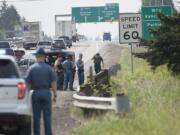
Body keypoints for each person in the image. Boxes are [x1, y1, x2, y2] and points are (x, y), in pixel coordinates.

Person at [26, 47, 57, 135]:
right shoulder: (49, 68)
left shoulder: (31, 68)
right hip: (46, 93)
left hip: (35, 93)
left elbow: (28, 85)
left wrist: (27, 96)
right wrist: (55, 95)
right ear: (44, 57)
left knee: (36, 117)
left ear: (36, 57)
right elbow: (53, 82)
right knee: (47, 117)